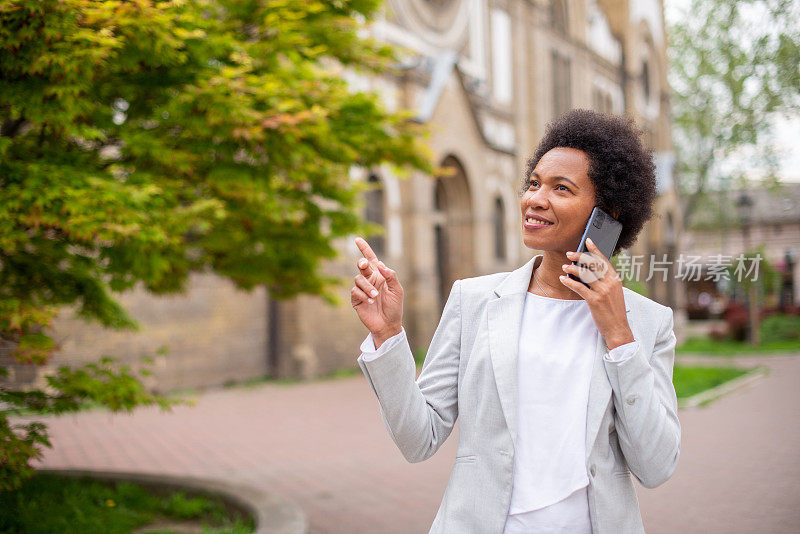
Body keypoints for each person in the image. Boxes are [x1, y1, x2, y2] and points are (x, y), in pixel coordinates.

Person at [350, 109, 680, 534]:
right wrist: (388, 334)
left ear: (608, 212)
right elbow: (419, 438)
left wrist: (619, 335)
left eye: (561, 188)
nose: (535, 199)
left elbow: (655, 466)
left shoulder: (648, 323)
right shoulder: (474, 301)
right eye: (533, 183)